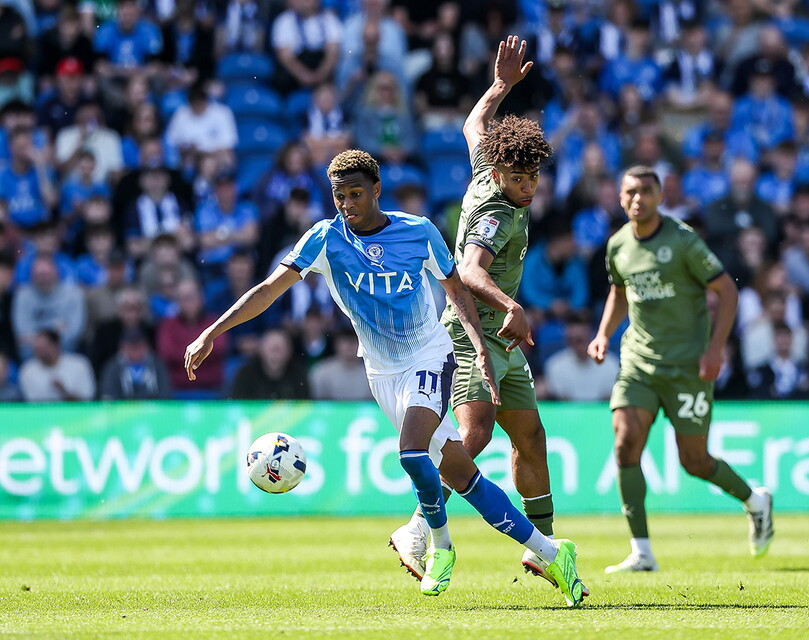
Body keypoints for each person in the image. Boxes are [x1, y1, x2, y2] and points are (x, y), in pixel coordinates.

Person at [183, 148, 585, 606]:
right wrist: (212, 331)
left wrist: (477, 349)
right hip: (382, 372)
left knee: (412, 450)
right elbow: (269, 291)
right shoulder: (324, 239)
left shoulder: (418, 232)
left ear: (376, 190)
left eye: (356, 193)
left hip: (430, 357)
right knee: (463, 475)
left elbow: (456, 292)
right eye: (339, 196)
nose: (348, 204)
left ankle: (441, 548)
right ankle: (552, 552)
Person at [388, 37, 584, 597]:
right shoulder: (496, 211)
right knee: (471, 438)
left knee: (531, 437)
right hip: (469, 330)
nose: (528, 188)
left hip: (501, 338)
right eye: (520, 180)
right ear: (501, 175)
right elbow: (469, 271)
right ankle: (417, 531)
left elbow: (475, 123)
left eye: (534, 179)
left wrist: (500, 87)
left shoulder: (487, 164)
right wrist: (512, 306)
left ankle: (542, 549)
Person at [587, 165, 774, 573]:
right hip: (638, 362)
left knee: (694, 461)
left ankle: (755, 500)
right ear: (620, 198)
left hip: (688, 367)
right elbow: (620, 290)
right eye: (631, 192)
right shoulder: (618, 245)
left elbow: (727, 290)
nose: (638, 199)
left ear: (660, 195)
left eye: (646, 191)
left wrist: (716, 350)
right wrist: (603, 333)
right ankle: (641, 551)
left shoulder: (683, 240)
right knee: (624, 443)